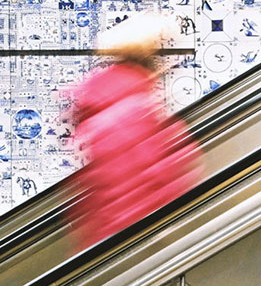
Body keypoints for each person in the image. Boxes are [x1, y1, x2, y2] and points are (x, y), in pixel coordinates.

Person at [68, 13, 204, 251]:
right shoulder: (140, 110)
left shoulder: (95, 110)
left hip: (102, 240)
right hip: (141, 235)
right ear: (149, 60)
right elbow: (166, 174)